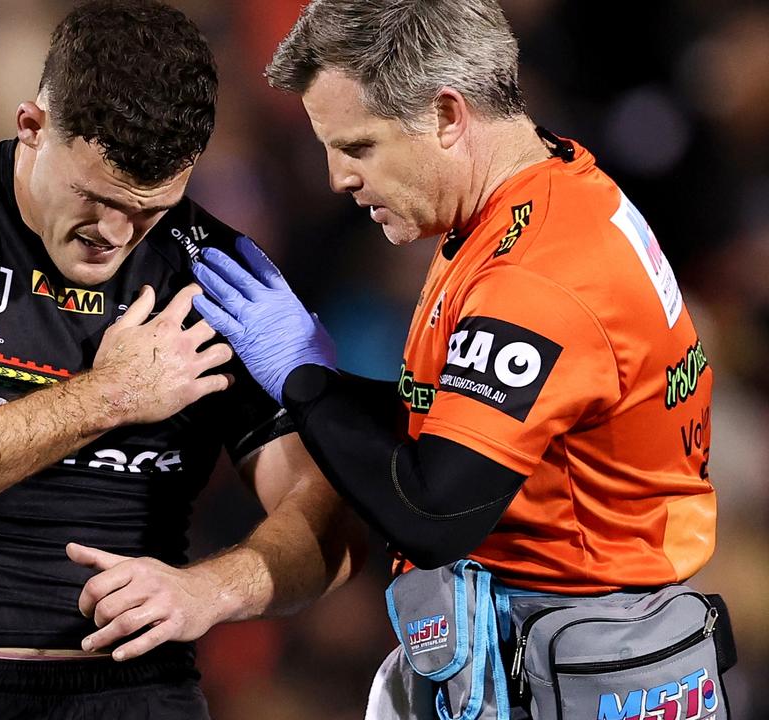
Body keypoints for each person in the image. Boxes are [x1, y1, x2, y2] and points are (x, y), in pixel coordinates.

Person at [0, 1, 364, 718]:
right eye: (95, 198)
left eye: (149, 209)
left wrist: (208, 591)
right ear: (32, 128)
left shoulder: (215, 272)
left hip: (141, 689)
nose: (115, 234)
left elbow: (326, 519)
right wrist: (110, 397)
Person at [190, 0, 722, 718]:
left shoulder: (538, 274)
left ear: (446, 114)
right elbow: (454, 427)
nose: (336, 179)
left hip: (578, 675)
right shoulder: (536, 196)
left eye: (358, 147)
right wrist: (314, 381)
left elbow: (432, 509)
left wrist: (306, 378)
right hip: (569, 648)